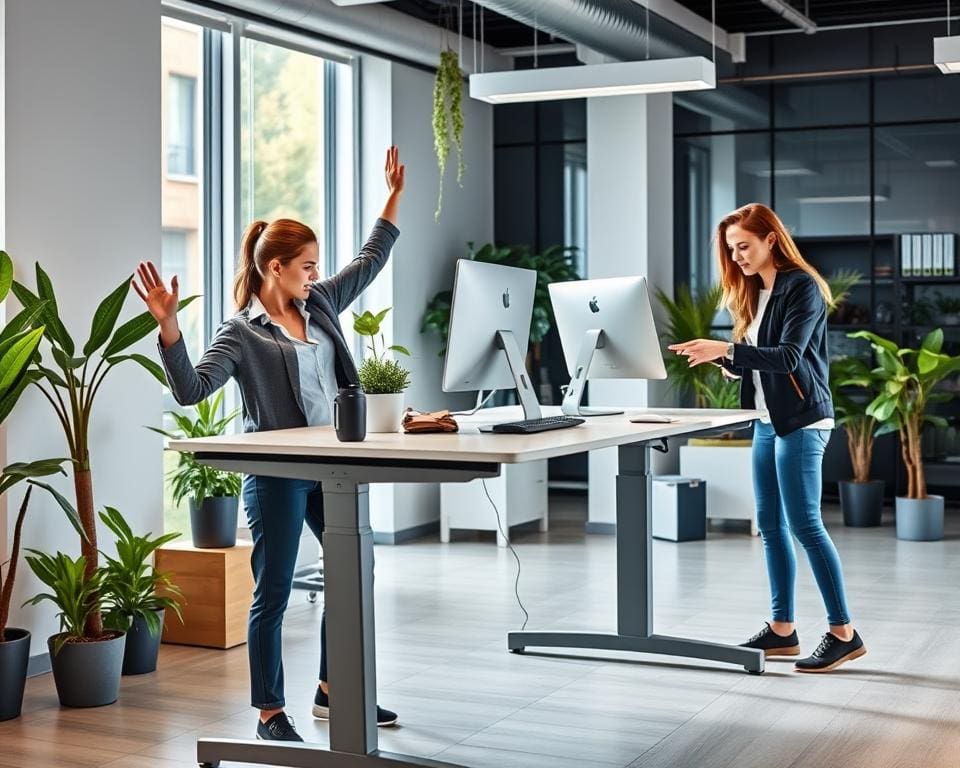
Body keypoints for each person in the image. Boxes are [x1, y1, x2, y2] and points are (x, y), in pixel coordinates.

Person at [134, 147, 405, 740]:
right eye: (306, 265)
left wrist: (391, 197)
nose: (315, 273)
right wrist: (169, 325)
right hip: (278, 471)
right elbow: (191, 389)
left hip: (332, 466)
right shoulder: (242, 332)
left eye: (315, 266)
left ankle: (336, 691)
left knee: (354, 568)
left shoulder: (322, 303)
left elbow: (370, 260)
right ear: (275, 267)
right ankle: (269, 713)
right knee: (275, 589)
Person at [669, 202, 866, 674]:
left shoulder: (801, 288)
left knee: (805, 526)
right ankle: (783, 631)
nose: (736, 256)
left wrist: (728, 348)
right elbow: (759, 359)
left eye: (744, 246)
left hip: (801, 421)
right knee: (771, 526)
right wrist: (720, 358)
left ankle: (844, 633)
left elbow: (790, 358)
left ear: (771, 240)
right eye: (731, 249)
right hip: (766, 420)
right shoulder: (756, 292)